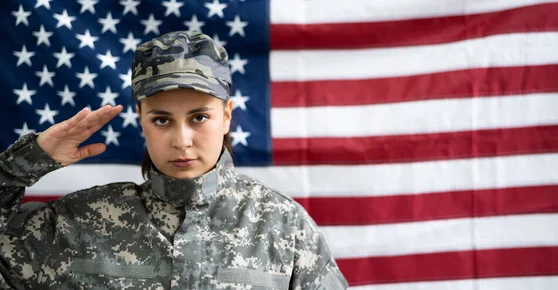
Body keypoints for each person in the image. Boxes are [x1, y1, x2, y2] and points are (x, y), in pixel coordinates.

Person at [0, 31, 348, 289]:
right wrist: (24, 163)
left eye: (199, 117)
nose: (182, 141)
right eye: (162, 120)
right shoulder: (76, 225)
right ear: (141, 118)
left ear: (227, 116)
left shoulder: (283, 227)